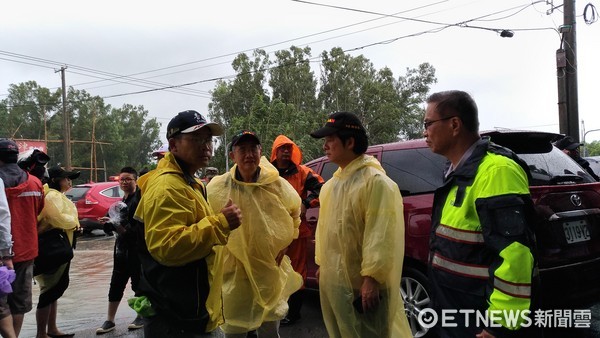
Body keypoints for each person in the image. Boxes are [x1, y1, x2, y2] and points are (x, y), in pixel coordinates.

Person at [423, 90, 536, 338]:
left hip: (481, 320)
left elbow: (515, 256)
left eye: (428, 123)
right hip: (456, 309)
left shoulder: (497, 171)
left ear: (454, 124)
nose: (424, 132)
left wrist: (500, 324)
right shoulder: (456, 171)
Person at [134, 110, 242, 337]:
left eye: (208, 140)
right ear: (173, 145)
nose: (206, 146)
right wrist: (221, 223)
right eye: (196, 139)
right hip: (176, 313)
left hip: (189, 306)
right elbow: (167, 246)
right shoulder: (167, 188)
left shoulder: (189, 182)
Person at [309, 112, 412, 338]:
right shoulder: (331, 186)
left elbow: (381, 234)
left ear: (350, 142)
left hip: (364, 287)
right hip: (336, 282)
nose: (325, 145)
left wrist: (371, 278)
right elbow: (326, 231)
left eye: (330, 139)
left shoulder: (376, 182)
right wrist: (322, 266)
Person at [207, 130, 302, 338]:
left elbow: (295, 213)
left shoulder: (276, 184)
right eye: (242, 149)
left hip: (268, 267)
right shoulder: (218, 187)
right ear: (233, 155)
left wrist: (286, 243)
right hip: (234, 270)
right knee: (234, 327)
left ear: (261, 152)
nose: (249, 154)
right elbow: (207, 223)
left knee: (269, 328)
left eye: (253, 149)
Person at [269, 134, 324, 325]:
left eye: (288, 148)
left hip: (296, 230)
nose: (286, 152)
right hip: (273, 231)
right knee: (274, 269)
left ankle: (294, 313)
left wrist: (306, 202)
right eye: (282, 148)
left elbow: (322, 187)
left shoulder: (302, 172)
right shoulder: (268, 173)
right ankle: (275, 308)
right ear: (275, 152)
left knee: (297, 270)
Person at [0, 138, 45, 338]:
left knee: (1, 304)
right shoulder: (35, 183)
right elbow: (40, 211)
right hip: (26, 250)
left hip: (2, 253)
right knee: (19, 301)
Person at [35, 165, 81, 338]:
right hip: (52, 249)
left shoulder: (56, 196)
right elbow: (55, 218)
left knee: (54, 290)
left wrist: (75, 226)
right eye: (66, 178)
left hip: (58, 247)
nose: (69, 181)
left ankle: (51, 328)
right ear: (54, 180)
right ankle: (41, 333)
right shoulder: (52, 195)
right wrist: (74, 223)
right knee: (48, 291)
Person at [96, 167, 143, 334]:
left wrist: (117, 225)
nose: (124, 182)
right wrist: (109, 223)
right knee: (116, 283)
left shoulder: (138, 199)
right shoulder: (122, 200)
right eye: (122, 179)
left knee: (138, 283)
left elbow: (136, 229)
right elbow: (118, 225)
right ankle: (110, 320)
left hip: (136, 249)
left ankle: (141, 315)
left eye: (128, 179)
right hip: (121, 249)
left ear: (135, 180)